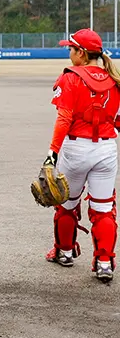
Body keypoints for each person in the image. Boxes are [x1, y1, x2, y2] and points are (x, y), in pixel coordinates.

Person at [44, 29, 120, 283]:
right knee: (103, 209)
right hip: (106, 149)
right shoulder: (114, 78)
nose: (69, 52)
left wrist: (51, 154)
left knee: (66, 203)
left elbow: (64, 119)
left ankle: (64, 252)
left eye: (71, 48)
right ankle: (105, 262)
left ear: (82, 53)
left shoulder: (71, 77)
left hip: (76, 149)